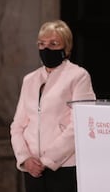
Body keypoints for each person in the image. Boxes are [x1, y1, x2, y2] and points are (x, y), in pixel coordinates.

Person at [10, 19, 96, 192]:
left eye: (53, 43)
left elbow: (80, 124)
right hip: (32, 168)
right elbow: (17, 126)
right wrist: (25, 158)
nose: (46, 48)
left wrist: (48, 159)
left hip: (64, 166)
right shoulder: (30, 79)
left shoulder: (79, 76)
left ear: (67, 47)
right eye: (42, 44)